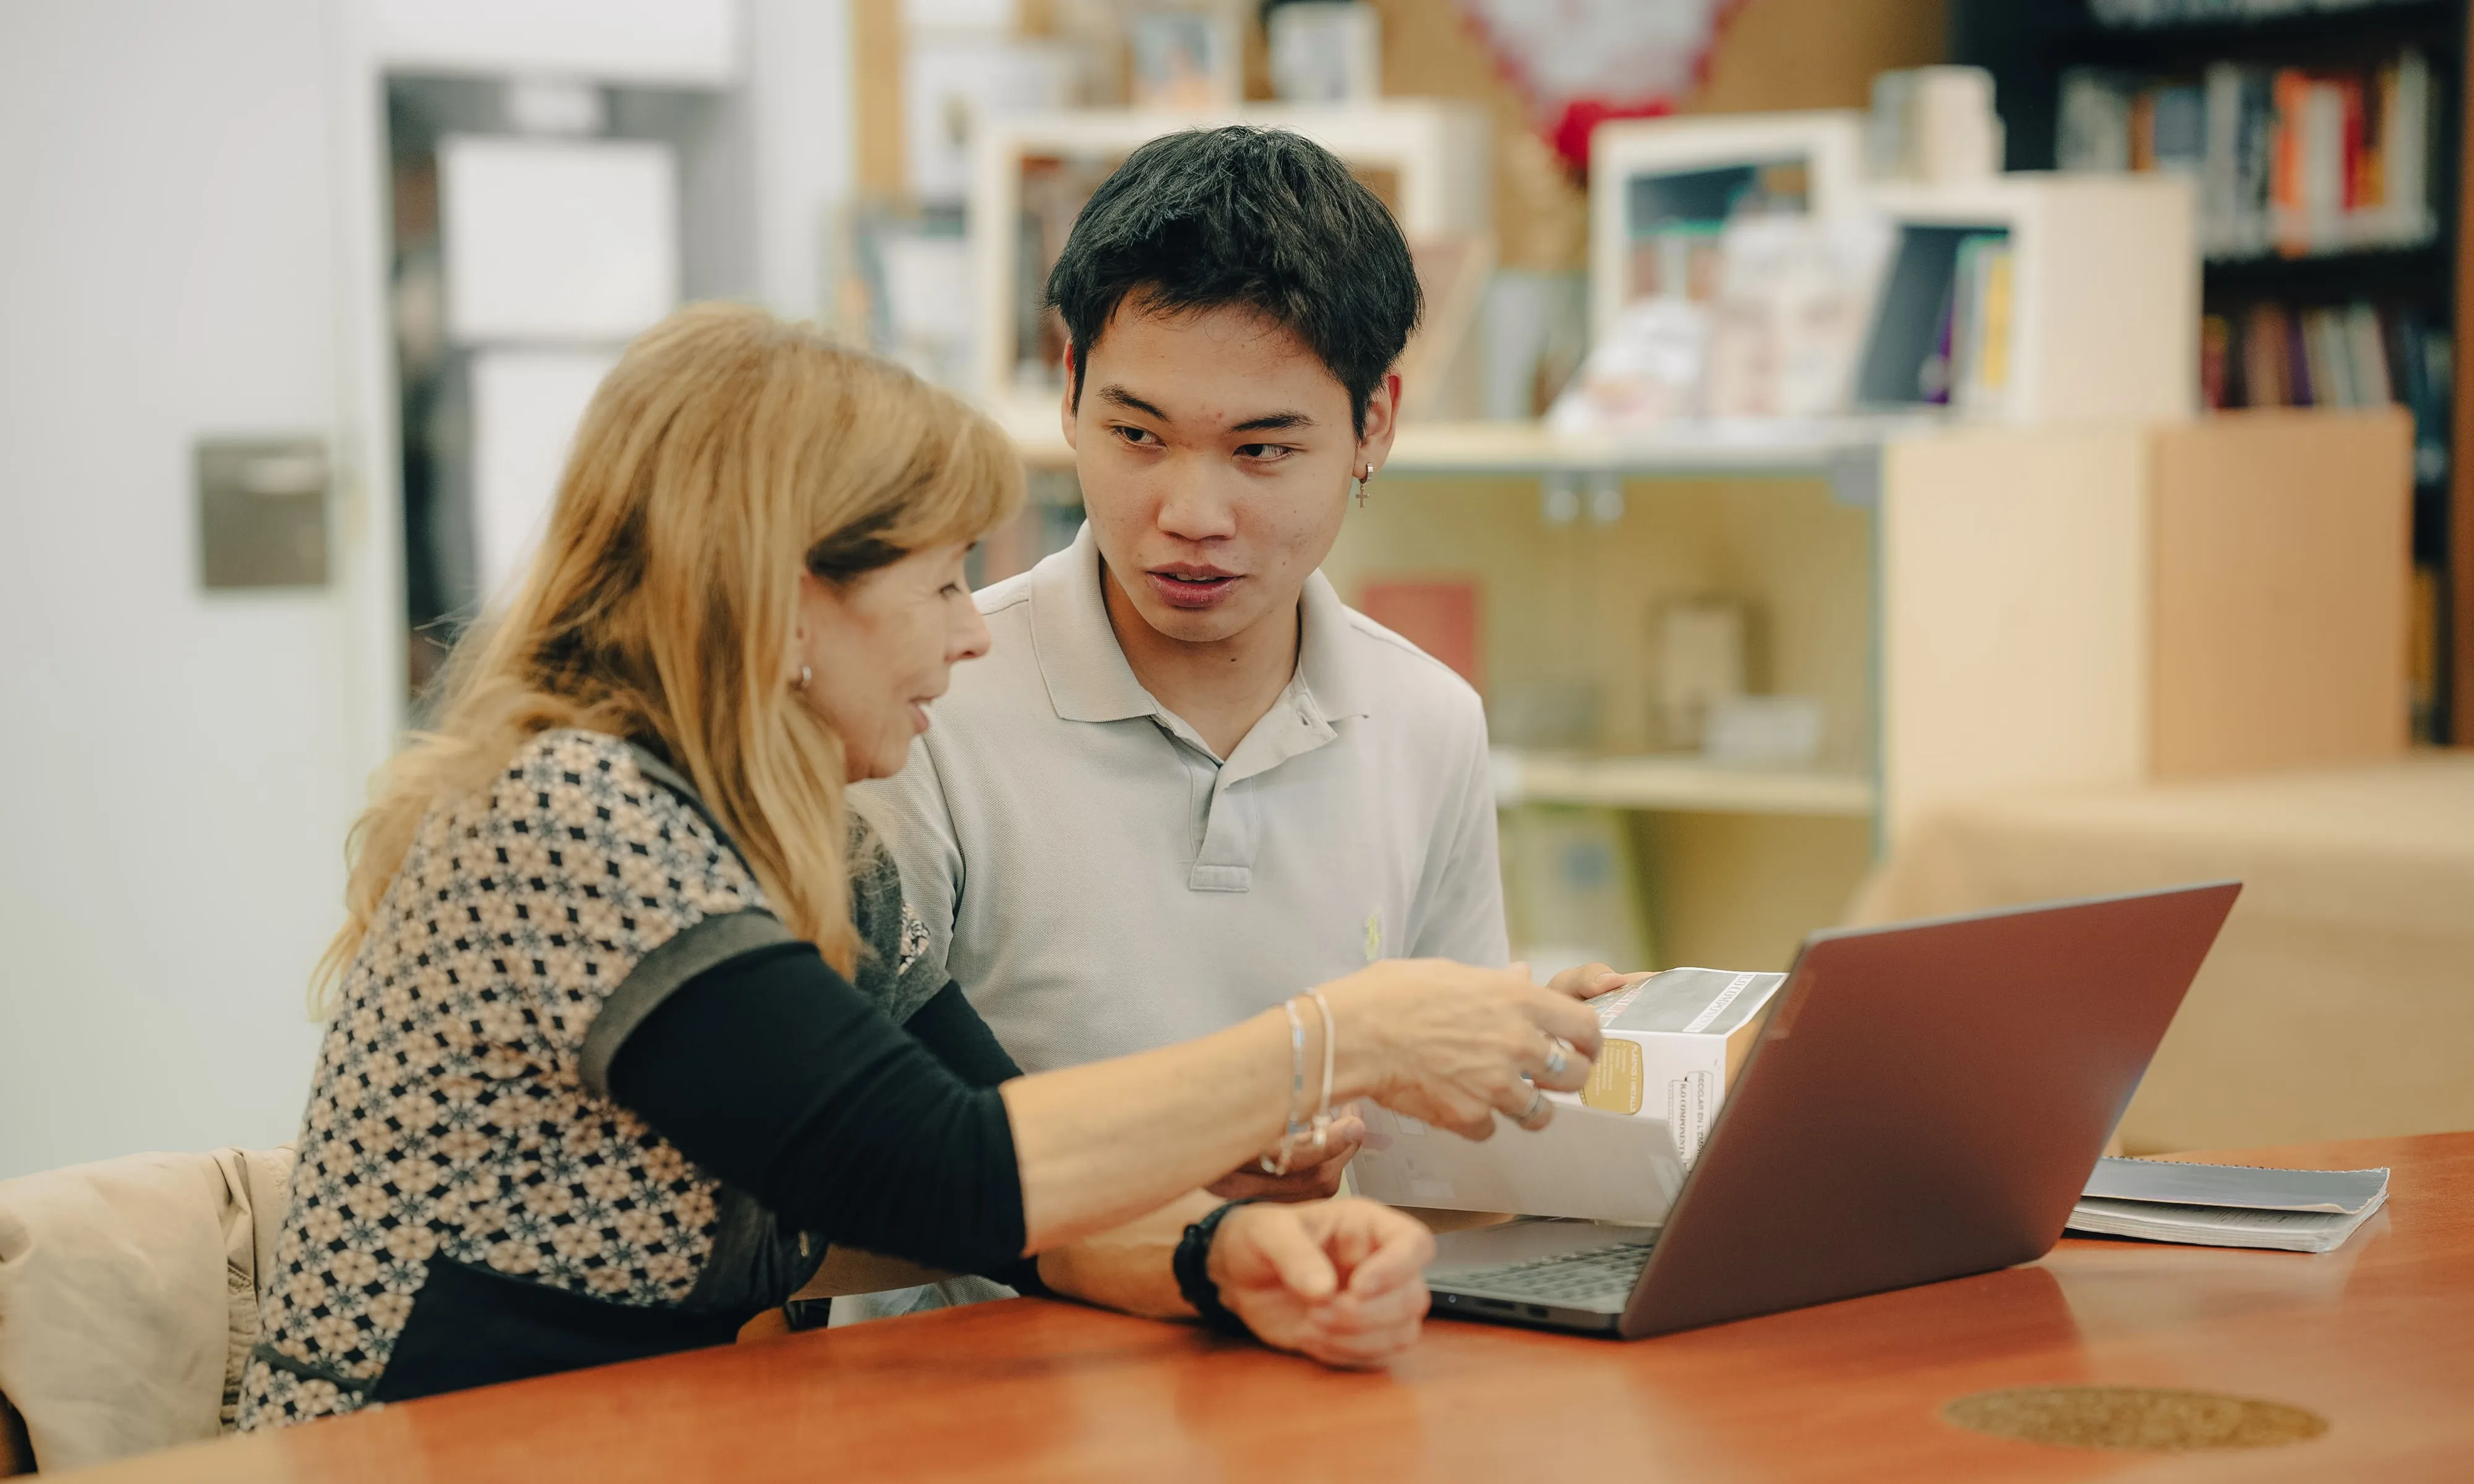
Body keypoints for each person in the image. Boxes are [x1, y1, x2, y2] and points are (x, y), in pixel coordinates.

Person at [236, 304, 1603, 1427]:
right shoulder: (571, 818)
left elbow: (1017, 1198)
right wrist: (1340, 1037)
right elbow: (933, 1168)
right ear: (783, 601)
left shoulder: (815, 848)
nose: (970, 637)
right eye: (942, 580)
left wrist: (1225, 1256)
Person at [857, 126, 1638, 1207]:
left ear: (1374, 425)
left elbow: (1448, 1173)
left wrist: (1551, 1061)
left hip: (1310, 1336)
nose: (1192, 516)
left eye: (1263, 451)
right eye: (1138, 437)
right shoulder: (921, 707)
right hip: (984, 1360)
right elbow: (872, 1152)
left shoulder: (1427, 720)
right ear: (1072, 388)